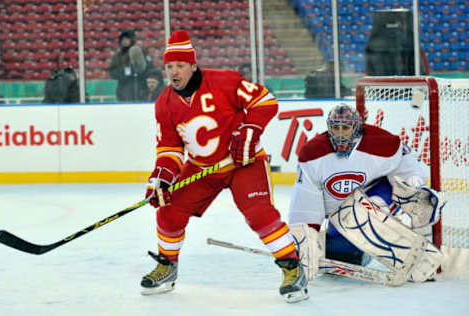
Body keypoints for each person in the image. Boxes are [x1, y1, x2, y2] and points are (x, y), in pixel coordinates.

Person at [141, 30, 308, 303]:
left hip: (244, 162)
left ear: (193, 65)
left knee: (259, 214)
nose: (174, 72)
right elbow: (170, 148)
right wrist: (161, 177)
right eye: (169, 66)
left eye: (180, 65)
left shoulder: (224, 81)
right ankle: (167, 266)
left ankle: (292, 267)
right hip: (202, 170)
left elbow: (265, 101)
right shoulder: (164, 104)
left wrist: (250, 130)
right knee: (168, 211)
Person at [287, 104, 445, 285]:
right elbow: (306, 203)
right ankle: (348, 244)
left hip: (378, 196)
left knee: (379, 208)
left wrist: (415, 193)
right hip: (340, 213)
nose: (340, 134)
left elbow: (409, 176)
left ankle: (420, 256)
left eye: (345, 128)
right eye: (335, 127)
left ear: (356, 128)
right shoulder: (312, 154)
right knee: (342, 256)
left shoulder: (383, 144)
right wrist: (306, 241)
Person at [108, 29, 153, 101]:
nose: (125, 41)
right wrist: (124, 76)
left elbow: (150, 67)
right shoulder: (118, 56)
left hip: (141, 86)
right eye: (123, 40)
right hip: (124, 89)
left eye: (127, 39)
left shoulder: (142, 52)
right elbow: (112, 72)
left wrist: (140, 74)